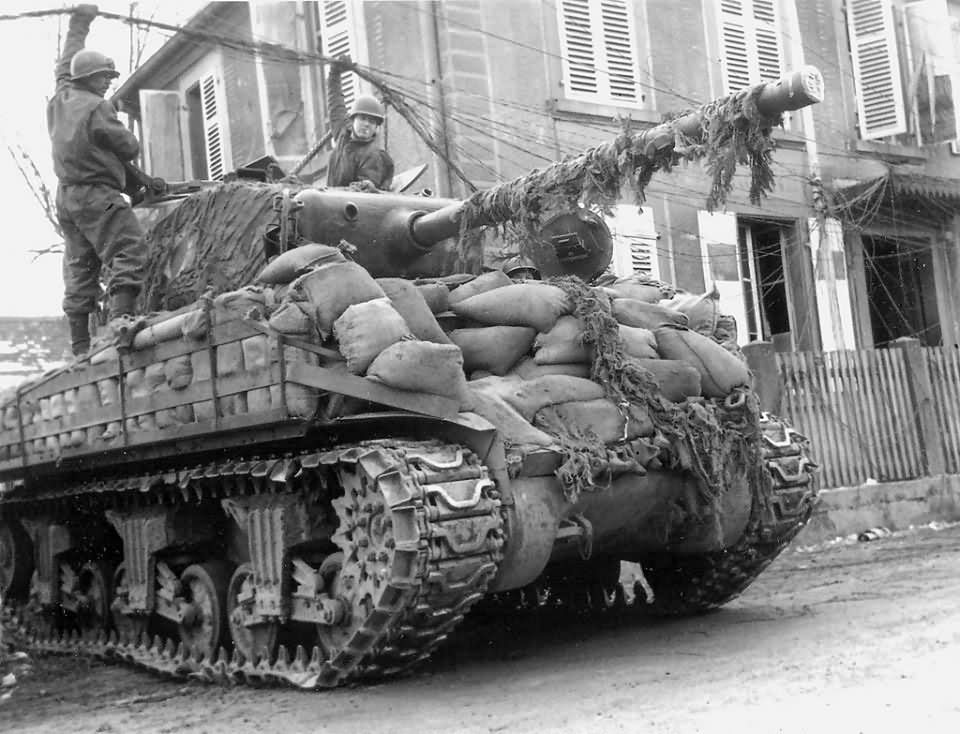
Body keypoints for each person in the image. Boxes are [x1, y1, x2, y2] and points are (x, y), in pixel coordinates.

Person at [48, 4, 147, 356]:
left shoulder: (61, 97)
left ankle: (79, 349)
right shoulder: (97, 107)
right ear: (87, 78)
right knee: (129, 248)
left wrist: (81, 21)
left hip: (67, 200)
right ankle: (121, 321)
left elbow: (67, 59)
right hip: (96, 196)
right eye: (104, 76)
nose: (108, 81)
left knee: (80, 267)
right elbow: (129, 146)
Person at [326, 58, 395, 191]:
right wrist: (335, 72)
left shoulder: (373, 156)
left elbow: (363, 196)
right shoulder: (342, 133)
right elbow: (335, 102)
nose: (367, 124)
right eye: (363, 118)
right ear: (353, 120)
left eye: (372, 122)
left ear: (376, 128)